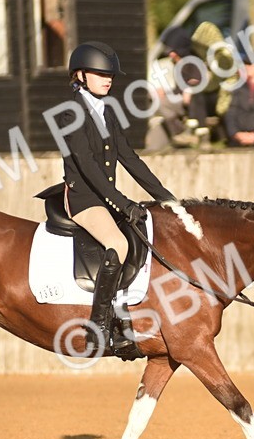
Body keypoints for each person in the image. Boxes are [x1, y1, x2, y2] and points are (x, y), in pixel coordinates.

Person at [59, 42, 178, 358]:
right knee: (119, 244)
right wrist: (123, 203)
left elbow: (129, 157)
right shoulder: (70, 113)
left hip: (104, 197)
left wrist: (167, 199)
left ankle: (126, 315)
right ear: (80, 75)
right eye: (100, 73)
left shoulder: (107, 110)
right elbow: (87, 166)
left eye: (110, 74)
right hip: (84, 198)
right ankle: (99, 326)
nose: (107, 79)